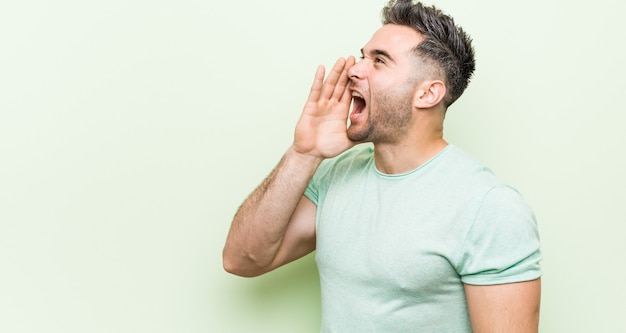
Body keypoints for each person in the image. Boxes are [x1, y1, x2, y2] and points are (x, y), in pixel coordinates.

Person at [223, 0, 542, 331]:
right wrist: (304, 153)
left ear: (428, 94)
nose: (355, 69)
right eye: (363, 56)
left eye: (379, 61)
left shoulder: (489, 207)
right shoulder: (337, 175)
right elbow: (242, 259)